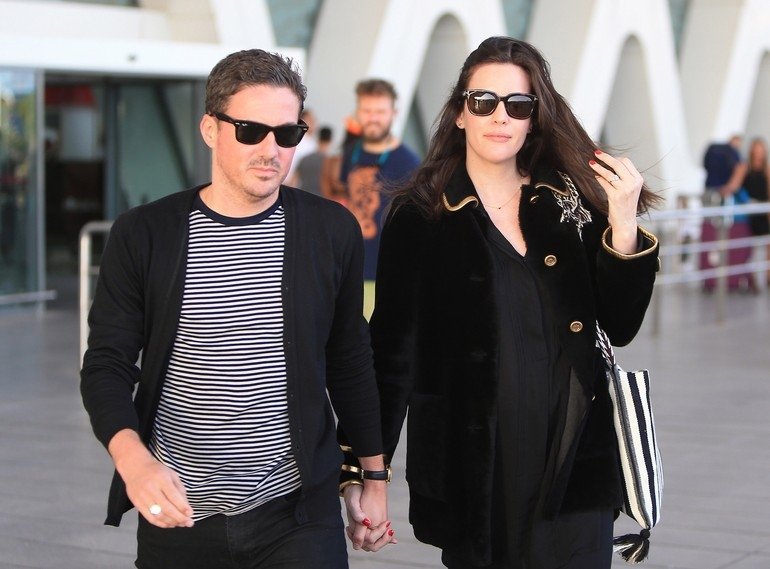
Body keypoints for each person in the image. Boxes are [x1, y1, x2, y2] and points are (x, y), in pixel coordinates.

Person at [341, 36, 661, 568]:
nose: (500, 116)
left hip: (574, 460)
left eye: (518, 105)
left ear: (534, 119)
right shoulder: (422, 215)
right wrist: (367, 474)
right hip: (475, 469)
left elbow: (621, 324)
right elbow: (390, 357)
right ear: (460, 112)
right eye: (483, 101)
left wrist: (623, 223)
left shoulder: (567, 205)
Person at [80, 48, 391, 569]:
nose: (271, 150)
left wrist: (372, 478)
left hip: (297, 513)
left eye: (287, 134)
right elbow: (106, 364)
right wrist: (134, 462)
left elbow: (349, 359)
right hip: (179, 514)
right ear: (210, 129)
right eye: (250, 131)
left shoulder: (330, 230)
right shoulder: (145, 234)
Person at [340, 78, 420, 284]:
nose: (373, 118)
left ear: (394, 113)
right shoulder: (350, 153)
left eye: (380, 112)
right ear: (358, 112)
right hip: (348, 268)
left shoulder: (409, 163)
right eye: (367, 111)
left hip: (387, 274)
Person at [722, 136, 770, 287]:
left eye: (761, 150)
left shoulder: (767, 169)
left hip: (764, 211)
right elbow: (734, 185)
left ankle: (767, 278)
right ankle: (752, 279)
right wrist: (723, 191)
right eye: (756, 150)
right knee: (749, 248)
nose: (759, 153)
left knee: (767, 245)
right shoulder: (744, 167)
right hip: (748, 214)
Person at [702, 134, 742, 205]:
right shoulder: (733, 152)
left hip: (709, 187)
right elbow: (739, 169)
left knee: (708, 209)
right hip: (723, 191)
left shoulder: (713, 148)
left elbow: (704, 164)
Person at [294, 125, 333, 197]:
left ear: (318, 138)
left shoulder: (304, 159)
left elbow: (293, 181)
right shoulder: (330, 162)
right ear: (330, 140)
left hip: (302, 196)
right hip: (320, 198)